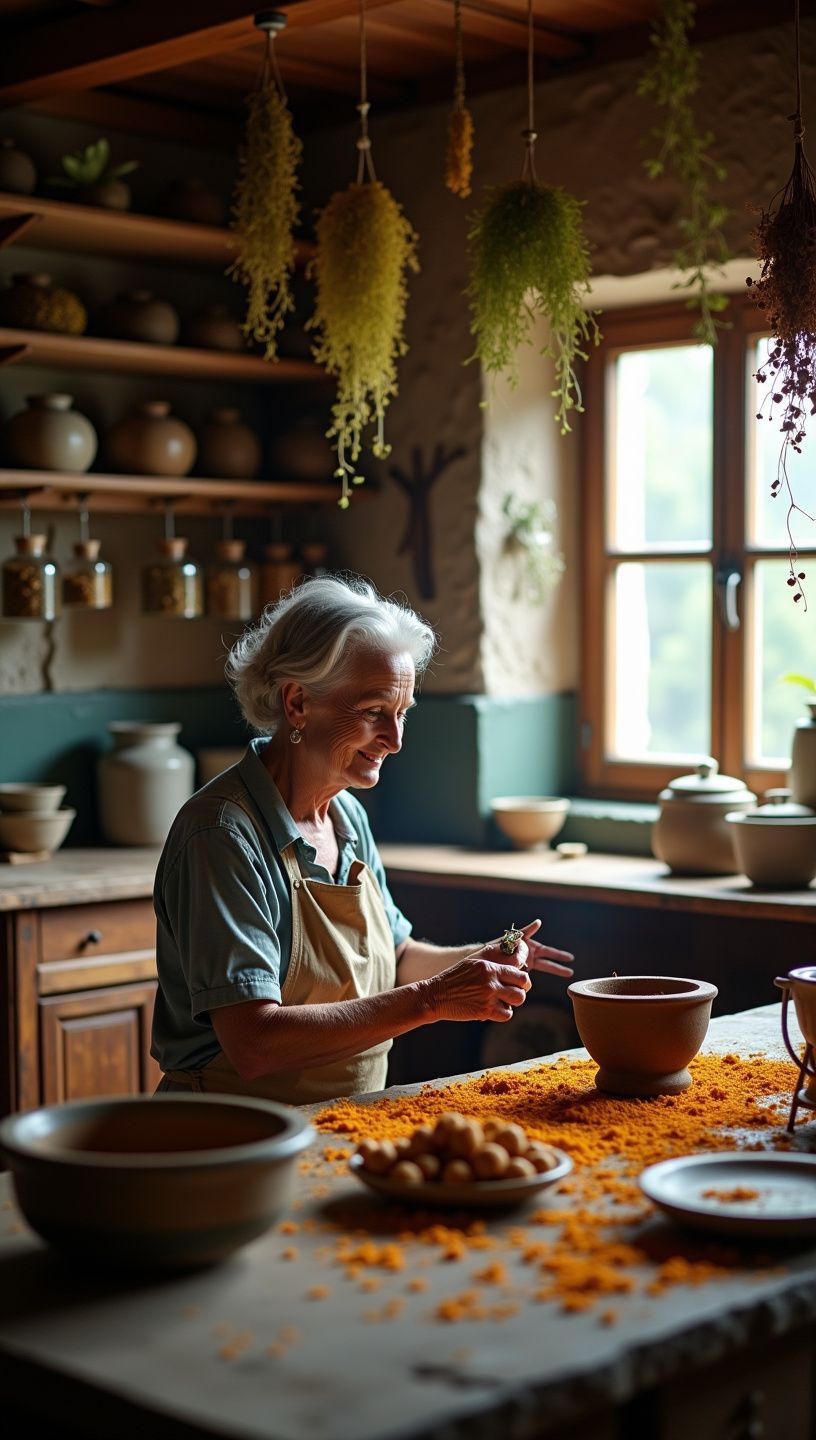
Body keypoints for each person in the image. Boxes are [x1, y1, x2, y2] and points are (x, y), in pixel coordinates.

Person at [152, 574, 574, 1104]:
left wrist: (481, 960)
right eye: (374, 712)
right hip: (231, 1134)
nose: (395, 741)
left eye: (402, 714)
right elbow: (255, 1042)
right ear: (298, 703)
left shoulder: (346, 816)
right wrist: (433, 999)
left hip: (341, 1122)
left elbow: (397, 957)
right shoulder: (222, 836)